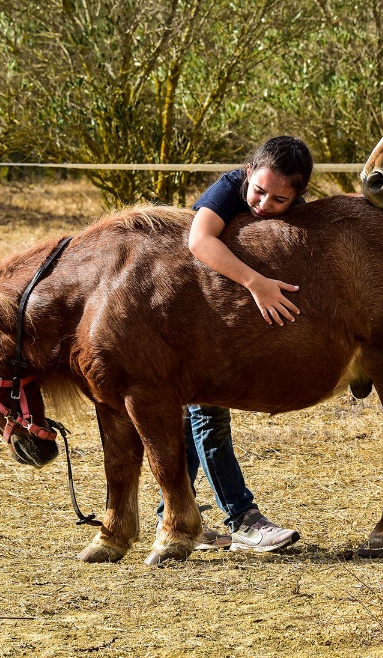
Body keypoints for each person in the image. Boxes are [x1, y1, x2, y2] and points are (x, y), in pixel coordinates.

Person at [156, 135, 313, 552]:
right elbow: (199, 241)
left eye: (279, 200)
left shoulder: (294, 206)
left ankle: (173, 517)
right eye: (258, 191)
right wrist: (256, 283)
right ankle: (242, 518)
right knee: (208, 417)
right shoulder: (227, 189)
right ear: (248, 174)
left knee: (194, 422)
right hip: (192, 317)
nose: (263, 204)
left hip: (226, 326)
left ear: (298, 195)